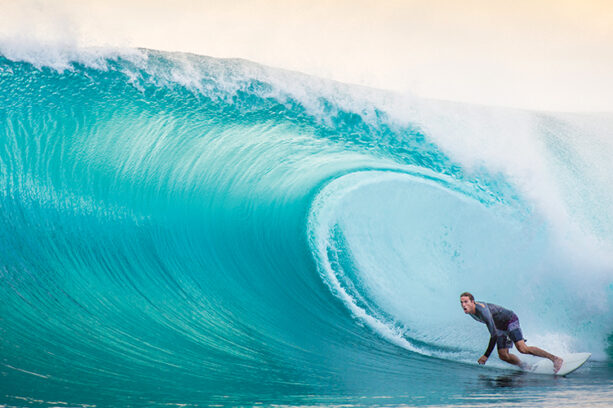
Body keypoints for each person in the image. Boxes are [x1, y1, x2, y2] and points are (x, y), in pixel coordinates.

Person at [459, 292, 563, 373]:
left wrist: (486, 355)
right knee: (503, 355)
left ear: (473, 302)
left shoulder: (483, 311)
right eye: (461, 302)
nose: (463, 305)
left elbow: (494, 335)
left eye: (466, 302)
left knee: (522, 348)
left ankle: (555, 359)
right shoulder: (470, 312)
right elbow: (495, 330)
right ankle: (526, 367)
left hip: (509, 320)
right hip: (500, 328)